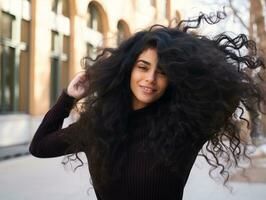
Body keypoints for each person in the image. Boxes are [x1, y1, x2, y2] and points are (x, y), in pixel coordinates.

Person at [29, 11, 265, 200]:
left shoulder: (185, 125)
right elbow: (39, 147)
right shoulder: (99, 124)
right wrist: (68, 98)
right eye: (143, 67)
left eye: (162, 72)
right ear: (127, 70)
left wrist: (183, 51)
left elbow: (227, 94)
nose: (150, 78)